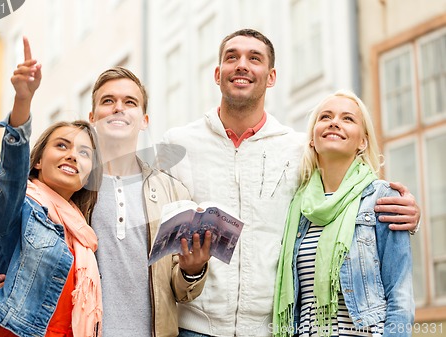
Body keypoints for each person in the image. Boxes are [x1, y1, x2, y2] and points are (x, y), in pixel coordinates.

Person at [161, 29, 420, 336]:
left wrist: (409, 215)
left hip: (269, 329)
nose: (242, 65)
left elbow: (344, 194)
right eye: (232, 57)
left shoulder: (299, 149)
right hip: (195, 327)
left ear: (271, 77)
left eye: (254, 58)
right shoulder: (177, 145)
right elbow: (158, 237)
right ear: (218, 73)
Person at [0, 66, 212, 337]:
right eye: (108, 101)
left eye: (130, 102)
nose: (118, 108)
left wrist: (192, 271)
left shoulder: (173, 193)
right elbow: (14, 232)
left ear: (144, 119)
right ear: (92, 117)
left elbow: (180, 291)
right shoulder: (70, 189)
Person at [0, 37, 104, 336]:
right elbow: (10, 173)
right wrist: (23, 100)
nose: (73, 154)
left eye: (85, 153)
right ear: (38, 162)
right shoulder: (18, 208)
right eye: (62, 145)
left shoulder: (83, 232)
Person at [273, 90, 414, 337]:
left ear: (363, 141)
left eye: (348, 119)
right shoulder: (298, 206)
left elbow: (400, 296)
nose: (334, 122)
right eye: (325, 117)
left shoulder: (382, 198)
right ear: (312, 139)